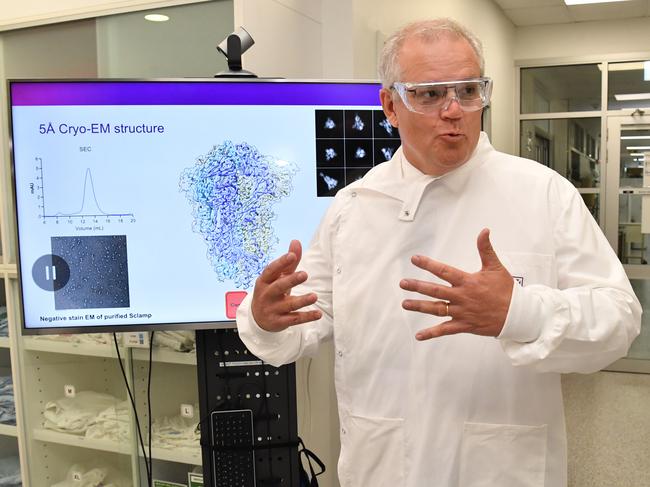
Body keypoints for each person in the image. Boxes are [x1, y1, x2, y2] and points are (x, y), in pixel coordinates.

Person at [236, 18, 641, 487]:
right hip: (382, 464)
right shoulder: (354, 207)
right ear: (390, 105)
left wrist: (520, 313)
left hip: (500, 469)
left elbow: (619, 320)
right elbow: (302, 323)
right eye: (430, 94)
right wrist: (267, 317)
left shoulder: (542, 193)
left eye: (468, 90)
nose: (455, 110)